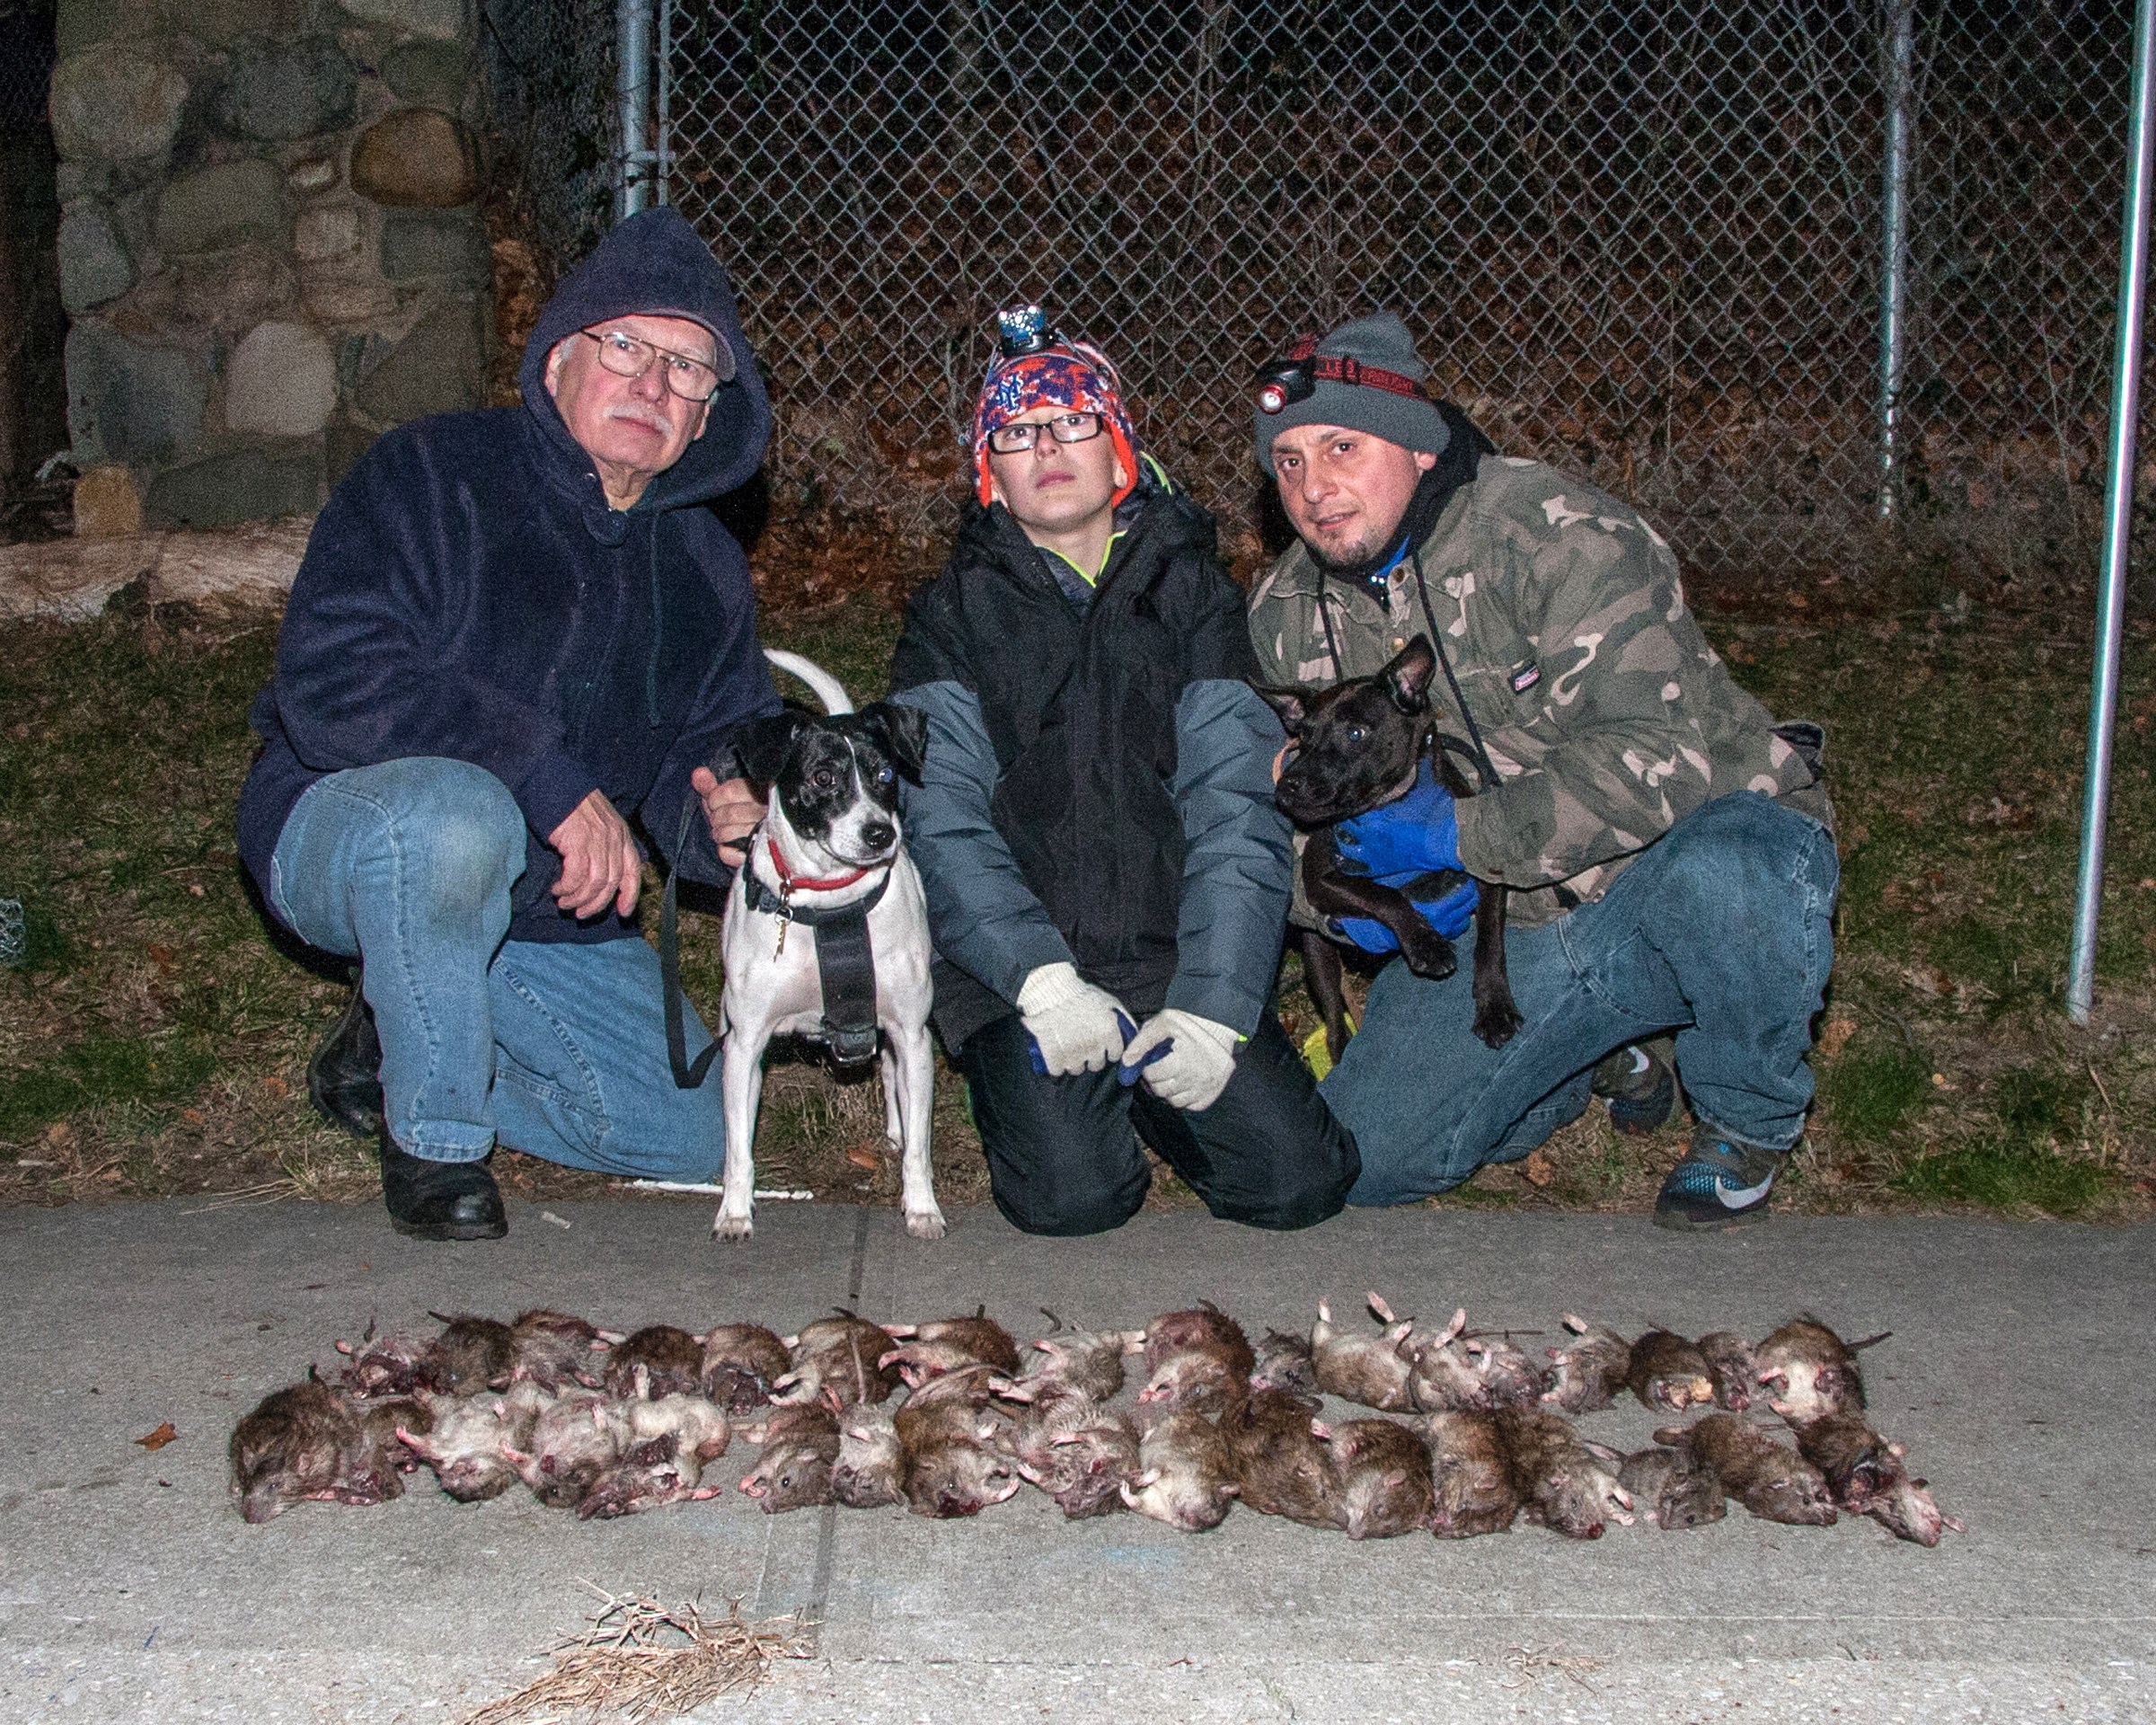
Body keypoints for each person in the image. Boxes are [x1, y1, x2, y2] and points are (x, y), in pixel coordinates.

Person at [235, 209, 778, 1241]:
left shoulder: (706, 566)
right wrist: (544, 775)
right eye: (626, 347)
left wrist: (726, 817)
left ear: (710, 417)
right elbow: (333, 675)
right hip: (348, 825)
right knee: (459, 811)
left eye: (688, 370)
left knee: (691, 1135)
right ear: (561, 358)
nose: (653, 386)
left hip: (542, 908)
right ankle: (436, 1146)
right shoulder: (433, 473)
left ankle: (402, 1036)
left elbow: (710, 749)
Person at [1245, 312, 1836, 1230]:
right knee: (1363, 1160)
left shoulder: (1557, 531)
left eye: (1342, 447)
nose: (1314, 487)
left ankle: (1744, 1121)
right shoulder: (1287, 610)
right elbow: (1273, 818)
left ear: (1419, 447)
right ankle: (1585, 1058)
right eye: (1288, 462)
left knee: (1742, 866)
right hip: (1506, 931)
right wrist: (1335, 899)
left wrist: (1462, 836)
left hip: (1661, 871)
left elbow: (1656, 752)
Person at [888, 306, 1359, 1236]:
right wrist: (1037, 983)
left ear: (1119, 455)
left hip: (1170, 959)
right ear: (992, 473)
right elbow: (940, 820)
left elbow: (1236, 805)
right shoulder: (950, 616)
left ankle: (1159, 1081)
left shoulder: (1197, 599)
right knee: (1072, 1201)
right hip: (1024, 978)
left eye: (1074, 422)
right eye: (1016, 433)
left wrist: (1216, 1009)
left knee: (1298, 1187)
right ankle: (1085, 1098)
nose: (1048, 447)